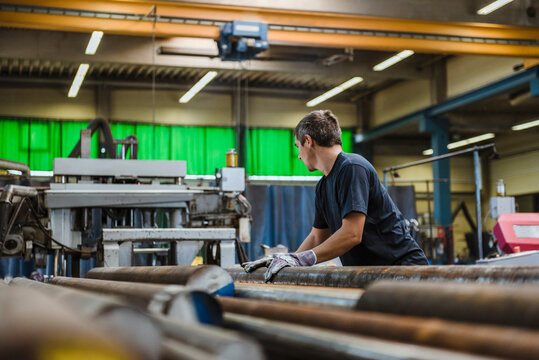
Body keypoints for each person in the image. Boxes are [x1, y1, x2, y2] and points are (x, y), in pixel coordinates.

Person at [243, 110, 428, 282]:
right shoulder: (323, 186)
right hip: (375, 274)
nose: (298, 155)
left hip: (403, 271)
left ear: (308, 141)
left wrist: (302, 259)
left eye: (297, 146)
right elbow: (317, 236)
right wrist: (287, 260)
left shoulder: (353, 167)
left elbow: (352, 234)